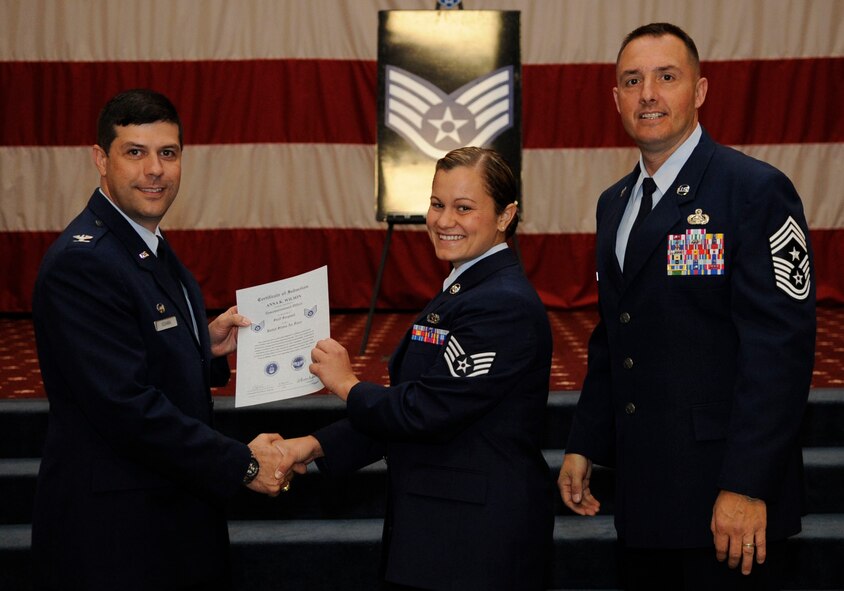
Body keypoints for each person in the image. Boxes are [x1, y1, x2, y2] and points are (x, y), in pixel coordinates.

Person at [557, 23, 816, 590]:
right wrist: (584, 441)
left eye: (666, 77)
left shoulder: (753, 191)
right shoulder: (614, 204)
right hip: (645, 495)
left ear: (699, 91)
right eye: (633, 80)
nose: (648, 93)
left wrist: (748, 485)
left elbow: (780, 354)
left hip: (725, 500)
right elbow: (616, 333)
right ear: (617, 98)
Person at [31, 88, 290, 591]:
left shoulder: (145, 246)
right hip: (116, 533)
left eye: (167, 153)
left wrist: (202, 345)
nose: (155, 169)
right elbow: (125, 406)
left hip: (165, 510)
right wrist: (244, 464)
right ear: (100, 160)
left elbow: (140, 346)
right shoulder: (84, 262)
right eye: (135, 152)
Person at [277, 147, 555, 590]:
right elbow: (411, 409)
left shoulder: (501, 304)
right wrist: (311, 446)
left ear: (506, 216)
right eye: (437, 204)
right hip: (442, 530)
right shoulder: (465, 287)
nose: (444, 221)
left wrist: (348, 384)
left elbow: (425, 410)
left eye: (464, 208)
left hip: (476, 544)